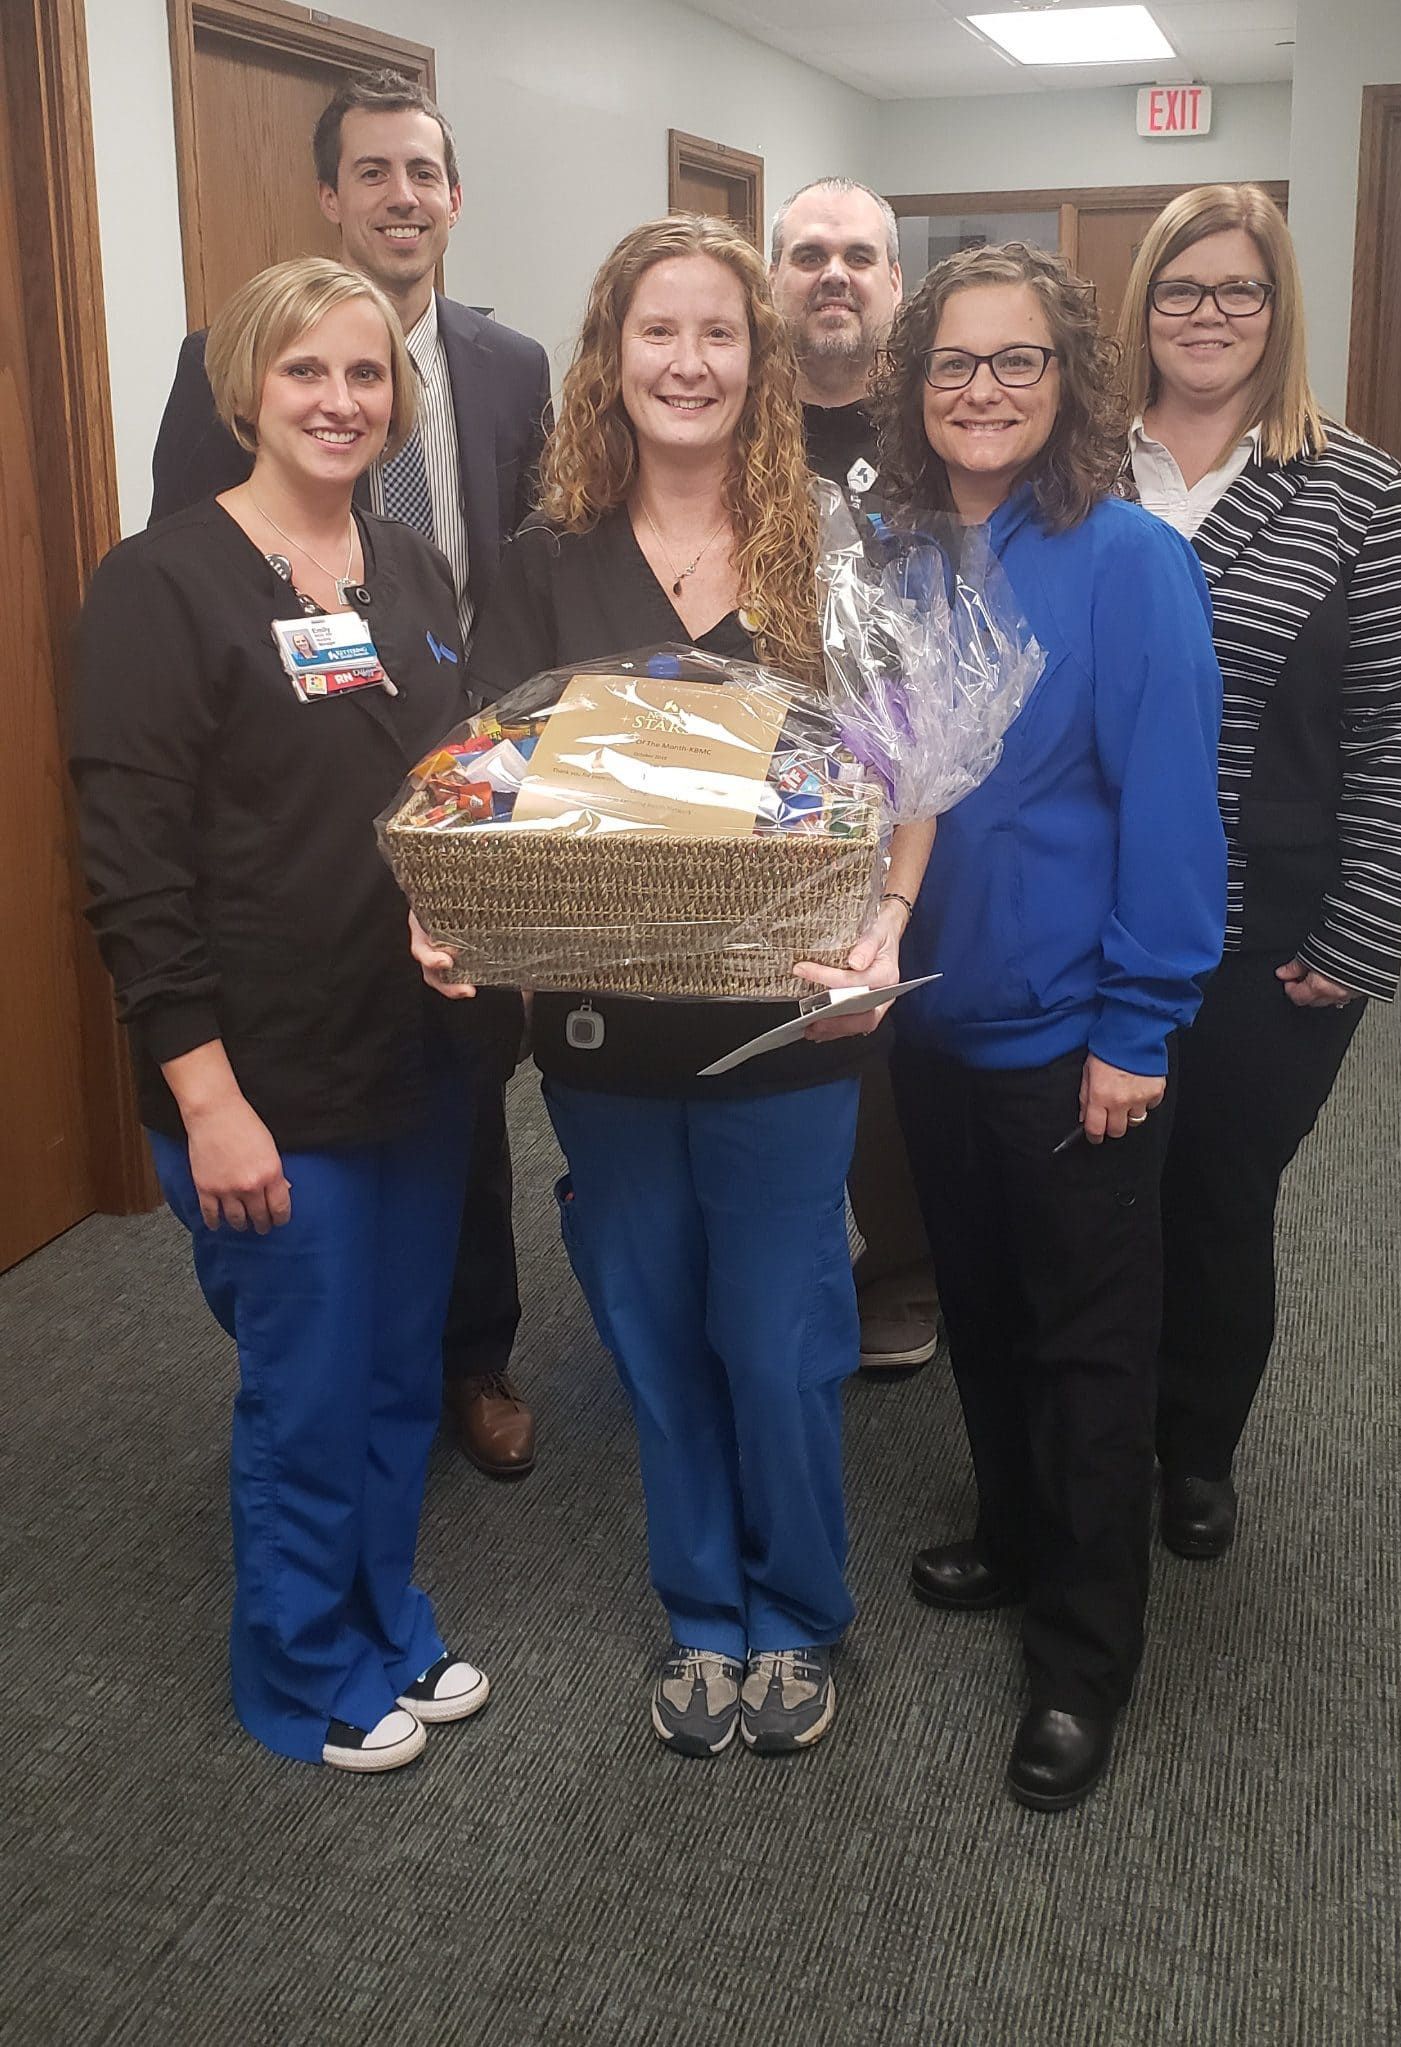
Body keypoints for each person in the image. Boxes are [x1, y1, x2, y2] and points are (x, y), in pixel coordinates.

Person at [417, 214, 933, 1759]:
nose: (690, 360)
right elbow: (481, 782)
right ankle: (702, 1605)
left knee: (778, 1332)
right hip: (601, 1029)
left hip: (791, 1018)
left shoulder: (831, 553)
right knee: (649, 1322)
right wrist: (455, 911)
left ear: (759, 361)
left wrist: (891, 917)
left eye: (721, 332)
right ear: (612, 359)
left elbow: (915, 761)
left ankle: (798, 1607)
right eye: (660, 332)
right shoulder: (541, 565)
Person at [72, 257, 511, 1770]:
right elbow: (130, 873)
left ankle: (384, 1611)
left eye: (368, 374)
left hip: (414, 1052)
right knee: (305, 1386)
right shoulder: (161, 582)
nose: (340, 401)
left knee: (397, 1369)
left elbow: (441, 797)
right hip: (260, 1078)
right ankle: (299, 1666)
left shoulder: (410, 568)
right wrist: (205, 1097)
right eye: (307, 371)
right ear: (244, 386)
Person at [150, 68, 549, 1480]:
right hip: (299, 828)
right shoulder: (230, 371)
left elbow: (528, 560)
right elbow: (193, 602)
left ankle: (473, 1357)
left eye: (421, 171)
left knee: (460, 1100)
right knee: (320, 1199)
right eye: (370, 172)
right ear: (331, 195)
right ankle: (331, 1388)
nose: (400, 195)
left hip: (463, 770)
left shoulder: (506, 367)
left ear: (451, 194)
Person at [874, 243, 1229, 1809]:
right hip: (927, 1022)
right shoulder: (886, 556)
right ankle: (1013, 1534)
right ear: (913, 381)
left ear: (1069, 380)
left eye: (1017, 361)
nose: (983, 390)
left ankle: (1082, 1655)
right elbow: (885, 790)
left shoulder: (1129, 560)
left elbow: (1169, 814)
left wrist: (1138, 1026)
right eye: (955, 362)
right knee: (987, 1311)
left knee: (1090, 1348)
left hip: (1075, 1033)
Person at [1114, 185, 1401, 1562]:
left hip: (1273, 930)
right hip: (1094, 920)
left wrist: (1366, 924)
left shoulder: (1358, 488)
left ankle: (1193, 1444)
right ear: (1139, 307)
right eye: (1179, 288)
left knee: (1213, 1193)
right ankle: (1080, 1434)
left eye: (1237, 291)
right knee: (1086, 1196)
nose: (1207, 315)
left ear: (1277, 311)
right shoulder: (1072, 469)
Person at [770, 176, 939, 1375]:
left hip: (926, 787)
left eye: (859, 257)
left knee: (901, 1041)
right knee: (771, 1021)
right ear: (774, 278)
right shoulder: (730, 411)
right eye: (807, 254)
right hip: (769, 792)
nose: (834, 273)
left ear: (894, 283)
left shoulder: (941, 420)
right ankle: (776, 1257)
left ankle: (906, 1262)